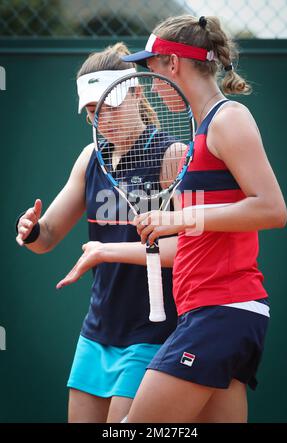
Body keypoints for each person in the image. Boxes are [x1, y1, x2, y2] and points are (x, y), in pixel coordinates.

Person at [116, 15, 287, 423]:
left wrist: (181, 218)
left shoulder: (229, 119)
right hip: (212, 311)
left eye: (153, 71)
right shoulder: (200, 132)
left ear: (174, 64)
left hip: (222, 309)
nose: (153, 86)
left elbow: (272, 209)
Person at [15, 43, 179, 423]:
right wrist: (30, 230)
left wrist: (108, 252)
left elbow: (185, 248)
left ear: (137, 92)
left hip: (152, 332)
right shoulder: (90, 158)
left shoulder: (172, 155)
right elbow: (48, 235)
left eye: (109, 106)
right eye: (92, 111)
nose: (101, 119)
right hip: (97, 331)